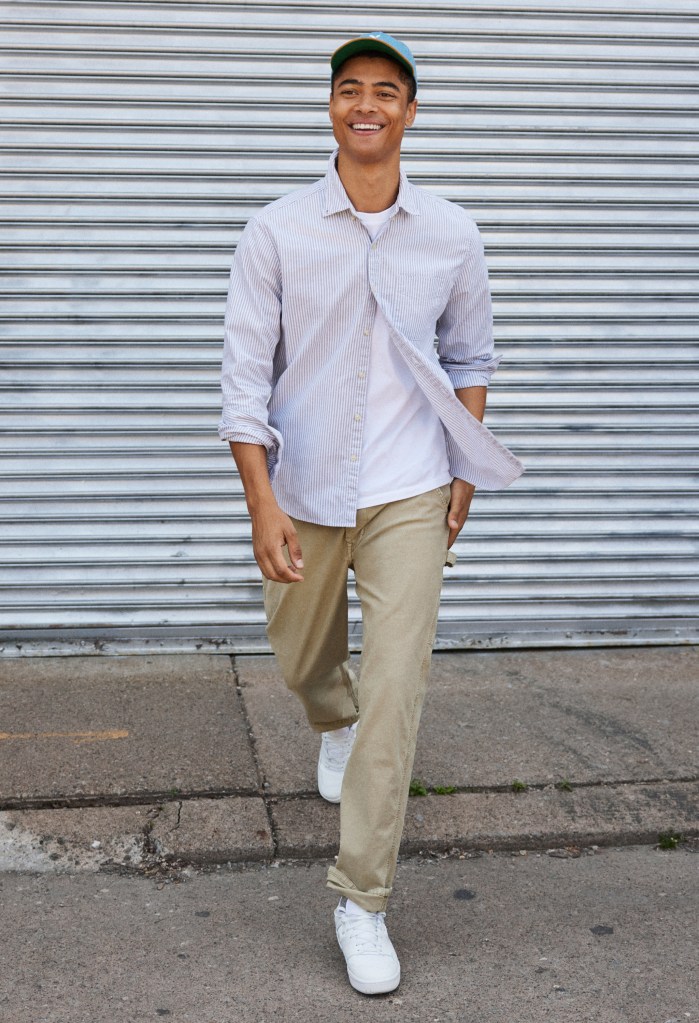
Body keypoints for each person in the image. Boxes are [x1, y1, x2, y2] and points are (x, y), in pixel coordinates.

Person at [219, 31, 523, 995]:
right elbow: (242, 386)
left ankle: (363, 899)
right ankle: (329, 716)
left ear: (410, 112)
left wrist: (464, 470)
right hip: (303, 485)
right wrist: (260, 500)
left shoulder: (451, 232)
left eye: (386, 92)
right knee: (304, 657)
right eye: (349, 89)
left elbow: (471, 359)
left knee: (398, 689)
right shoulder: (275, 230)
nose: (366, 105)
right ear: (330, 108)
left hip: (410, 488)